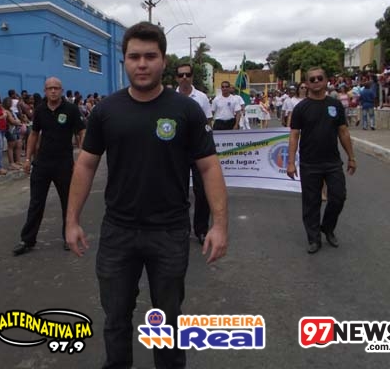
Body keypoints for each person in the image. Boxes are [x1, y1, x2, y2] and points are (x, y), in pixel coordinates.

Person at [65, 22, 229, 369]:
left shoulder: (186, 111)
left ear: (163, 61)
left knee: (168, 320)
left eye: (150, 56)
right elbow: (85, 166)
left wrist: (219, 225)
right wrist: (72, 221)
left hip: (169, 231)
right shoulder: (106, 111)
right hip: (118, 232)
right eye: (134, 56)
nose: (142, 64)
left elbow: (209, 168)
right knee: (115, 318)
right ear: (124, 60)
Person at [12, 77, 85, 255]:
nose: (53, 91)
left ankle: (68, 237)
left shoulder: (71, 109)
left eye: (56, 88)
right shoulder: (40, 110)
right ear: (44, 91)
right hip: (42, 163)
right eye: (50, 88)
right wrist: (27, 159)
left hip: (64, 164)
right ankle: (27, 240)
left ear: (61, 90)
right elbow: (34, 134)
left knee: (68, 202)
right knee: (36, 203)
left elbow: (82, 132)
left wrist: (81, 158)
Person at [287, 67, 357, 254]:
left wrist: (351, 157)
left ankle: (327, 227)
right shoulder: (301, 108)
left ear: (326, 81)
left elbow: (343, 132)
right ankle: (314, 239)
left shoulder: (335, 105)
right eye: (312, 79)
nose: (316, 81)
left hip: (332, 162)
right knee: (311, 203)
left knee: (338, 197)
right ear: (307, 84)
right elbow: (294, 135)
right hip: (309, 163)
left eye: (320, 78)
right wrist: (291, 162)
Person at [175, 62, 212, 244]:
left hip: (198, 151)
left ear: (192, 77)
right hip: (176, 152)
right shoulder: (169, 98)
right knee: (177, 193)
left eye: (187, 75)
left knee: (202, 192)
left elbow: (208, 122)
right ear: (176, 78)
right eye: (181, 75)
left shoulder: (202, 98)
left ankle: (201, 230)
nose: (184, 78)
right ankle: (180, 228)